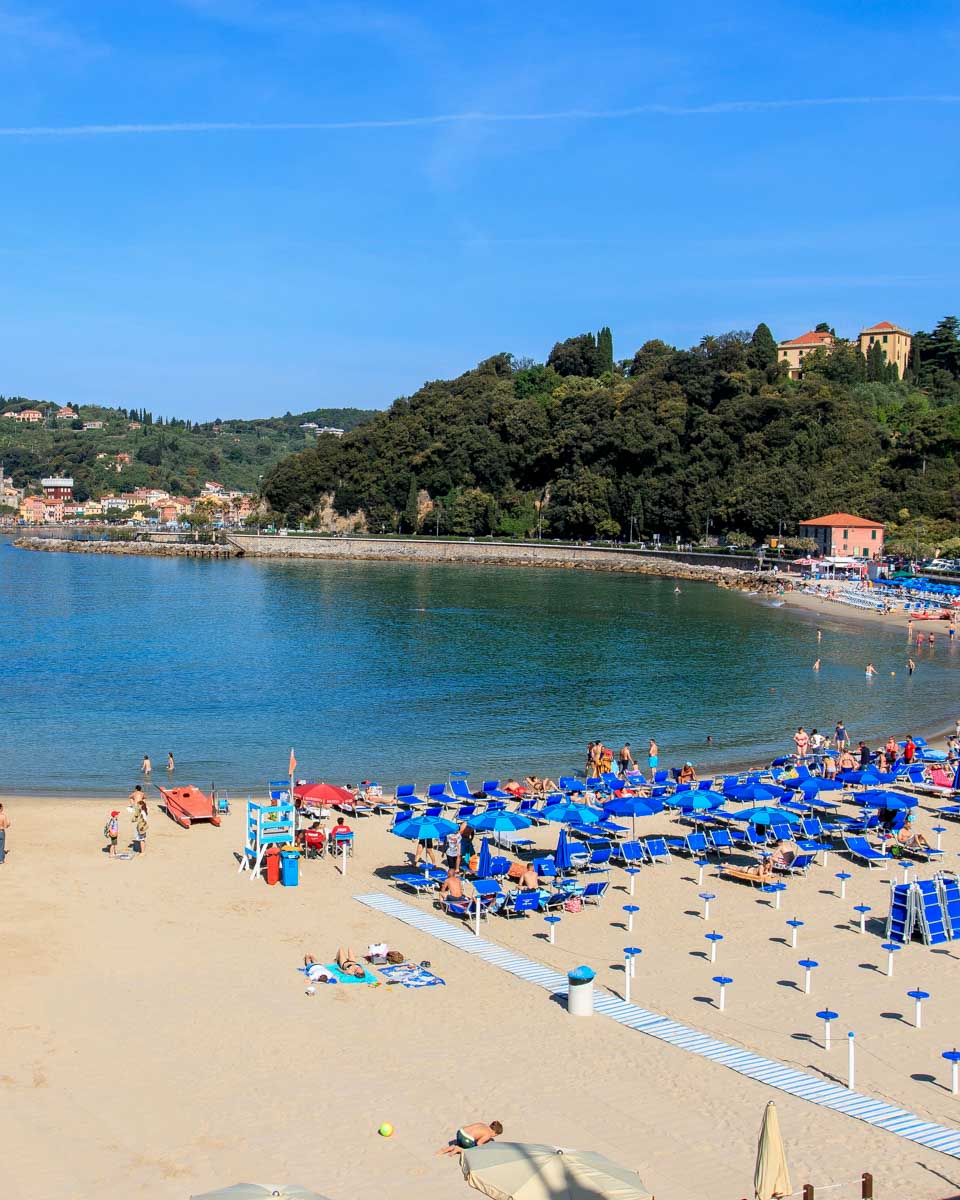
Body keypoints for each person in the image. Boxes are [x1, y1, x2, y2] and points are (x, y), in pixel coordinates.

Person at [437, 1121, 503, 1156]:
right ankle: (458, 1149)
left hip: (460, 1132)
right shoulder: (488, 1134)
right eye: (495, 1135)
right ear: (494, 1132)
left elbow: (475, 1133)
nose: (493, 1136)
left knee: (462, 1143)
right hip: (466, 1139)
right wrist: (483, 1148)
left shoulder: (482, 1124)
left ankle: (444, 1150)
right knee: (472, 1149)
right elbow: (479, 1143)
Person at [0, 801, 9, 865]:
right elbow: (6, 826)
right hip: (1, 831)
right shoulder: (3, 816)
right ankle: (1, 860)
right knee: (1, 846)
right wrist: (9, 824)